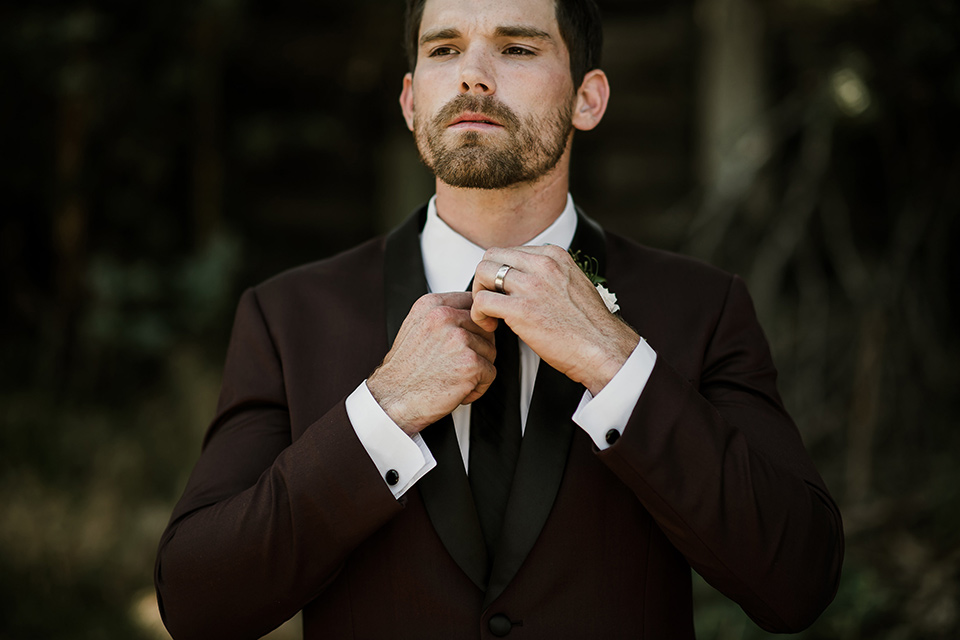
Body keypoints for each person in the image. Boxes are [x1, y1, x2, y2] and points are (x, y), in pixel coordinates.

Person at [154, 0, 844, 637]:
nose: (474, 77)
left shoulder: (701, 307)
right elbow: (198, 603)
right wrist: (383, 410)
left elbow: (797, 582)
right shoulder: (288, 317)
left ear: (588, 99)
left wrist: (618, 364)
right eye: (445, 49)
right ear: (409, 97)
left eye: (517, 49)